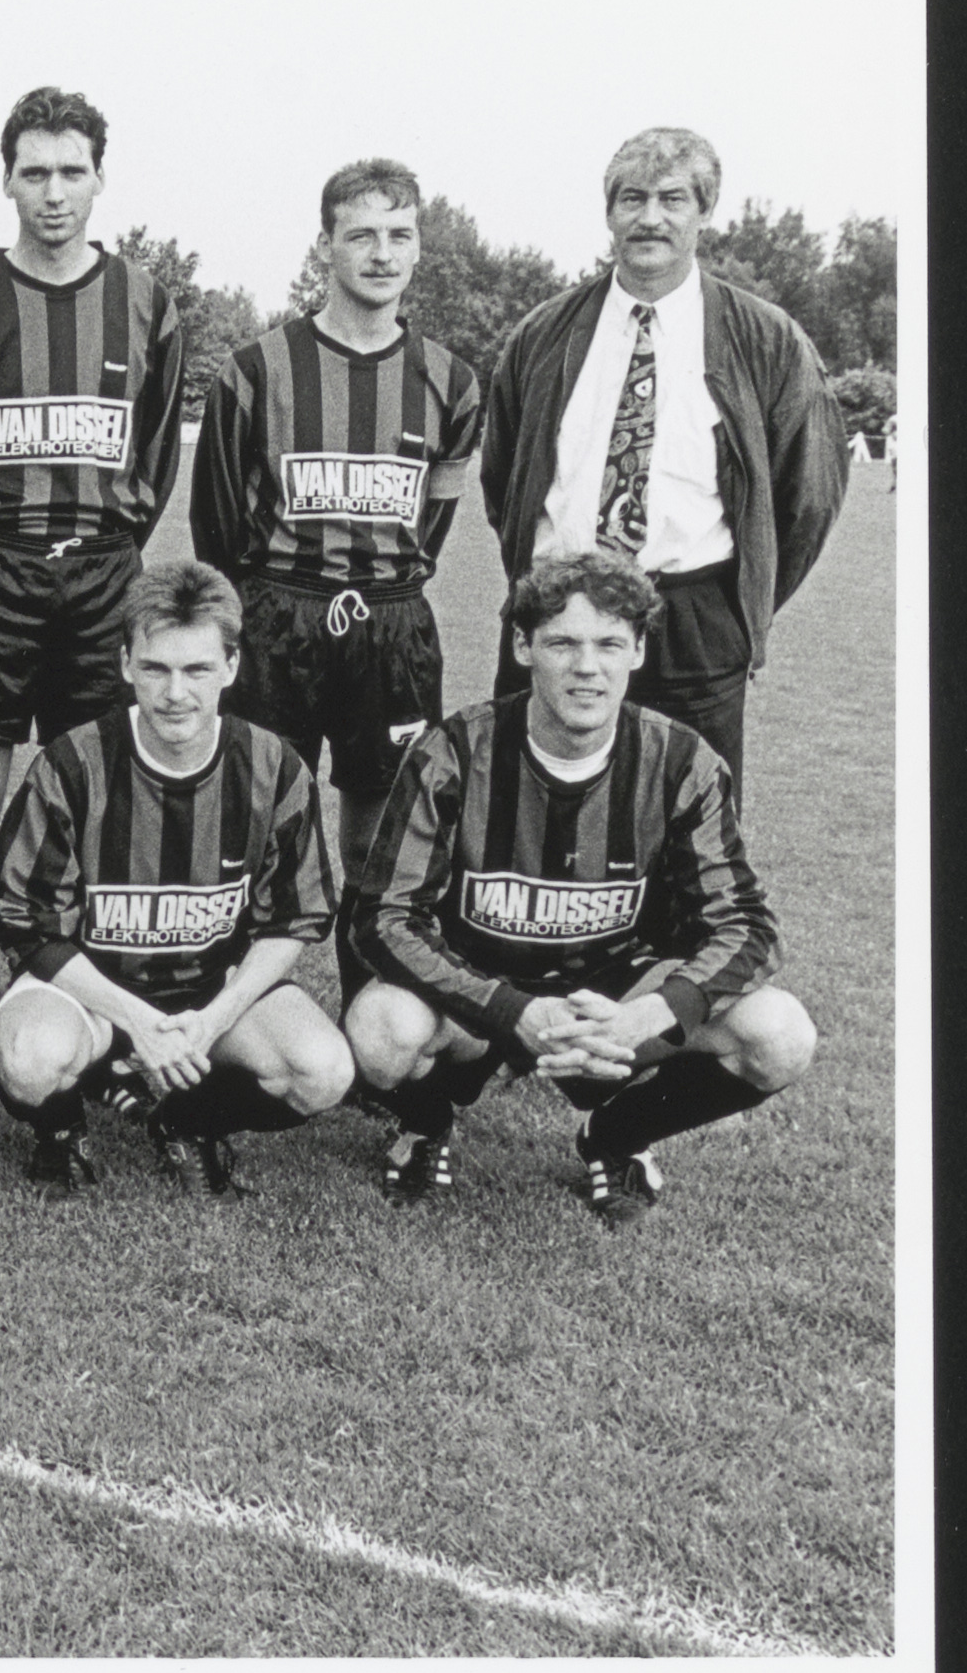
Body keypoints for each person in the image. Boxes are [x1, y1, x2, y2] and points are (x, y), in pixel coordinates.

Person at [346, 550, 814, 1222]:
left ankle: (616, 1137)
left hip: (617, 996)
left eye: (608, 644)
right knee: (379, 1029)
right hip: (482, 991)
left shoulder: (681, 762)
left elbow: (746, 925)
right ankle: (425, 1125)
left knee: (780, 1034)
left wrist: (649, 1014)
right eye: (562, 643)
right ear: (522, 647)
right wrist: (511, 1011)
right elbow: (383, 917)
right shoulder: (455, 752)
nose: (586, 666)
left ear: (638, 651)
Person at [0, 86, 185, 1121]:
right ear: (6, 179)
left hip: (101, 581)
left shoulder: (146, 304)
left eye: (71, 171)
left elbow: (154, 459)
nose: (53, 192)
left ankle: (96, 1033)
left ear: (99, 178)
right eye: (34, 172)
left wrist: (99, 553)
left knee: (95, 820)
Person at [479, 127, 848, 785]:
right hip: (555, 610)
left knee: (689, 821)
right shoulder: (542, 333)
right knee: (531, 809)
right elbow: (503, 476)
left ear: (704, 212)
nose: (650, 217)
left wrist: (739, 611)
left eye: (672, 199)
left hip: (692, 624)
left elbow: (810, 498)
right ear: (609, 213)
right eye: (632, 198)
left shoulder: (768, 340)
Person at [189, 159, 483, 981]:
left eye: (399, 235)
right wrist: (257, 610)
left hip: (390, 623)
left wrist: (381, 583)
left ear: (418, 247)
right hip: (276, 616)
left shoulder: (451, 381)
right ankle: (234, 1019)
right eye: (361, 235)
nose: (381, 254)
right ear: (324, 245)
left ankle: (369, 1015)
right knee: (252, 822)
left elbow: (434, 518)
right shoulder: (256, 369)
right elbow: (216, 521)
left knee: (379, 833)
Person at [0, 561, 349, 1197]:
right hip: (90, 991)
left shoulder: (274, 768)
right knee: (32, 1059)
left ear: (231, 666)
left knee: (322, 1071)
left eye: (197, 669)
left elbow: (296, 918)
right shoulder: (73, 765)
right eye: (156, 669)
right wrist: (138, 1020)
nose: (176, 692)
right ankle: (61, 1129)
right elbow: (24, 920)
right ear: (126, 664)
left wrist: (214, 1018)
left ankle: (186, 1120)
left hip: (209, 992)